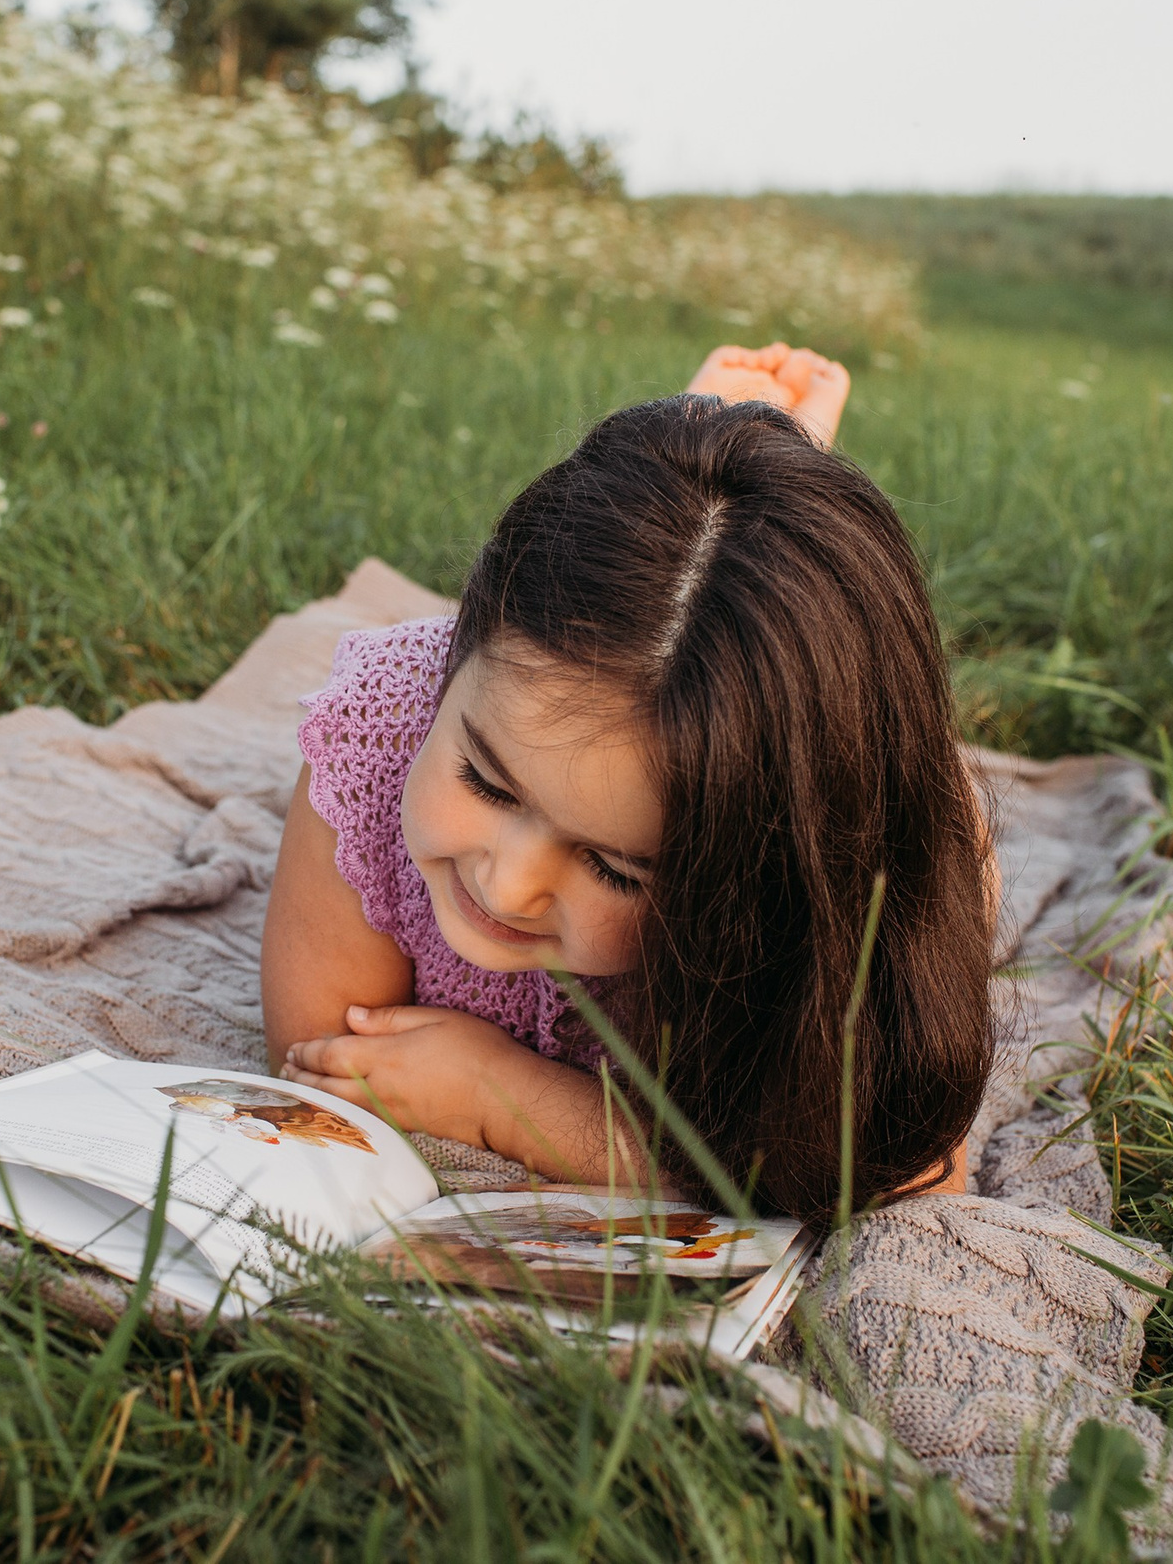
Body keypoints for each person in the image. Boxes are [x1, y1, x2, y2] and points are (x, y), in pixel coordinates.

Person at [263, 343, 994, 1227]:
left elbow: (893, 1179)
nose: (507, 886)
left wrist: (510, 1099)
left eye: (615, 866)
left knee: (751, 687)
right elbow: (321, 1060)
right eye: (487, 783)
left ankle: (756, 514)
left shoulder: (857, 875)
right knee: (639, 642)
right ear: (455, 657)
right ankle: (707, 497)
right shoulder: (385, 726)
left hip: (805, 784)